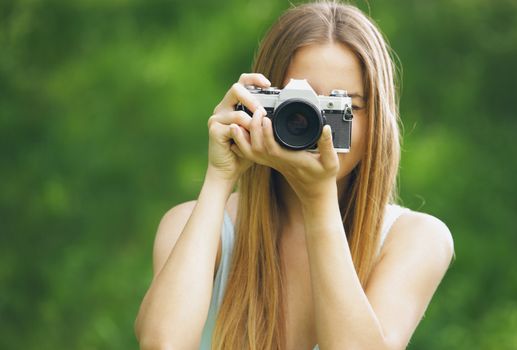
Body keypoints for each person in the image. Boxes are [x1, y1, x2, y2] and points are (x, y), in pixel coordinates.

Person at [134, 1, 455, 349]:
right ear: (259, 103)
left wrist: (319, 202)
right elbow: (162, 343)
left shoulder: (415, 238)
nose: (315, 124)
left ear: (377, 119)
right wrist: (220, 176)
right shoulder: (192, 226)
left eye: (342, 105)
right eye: (300, 103)